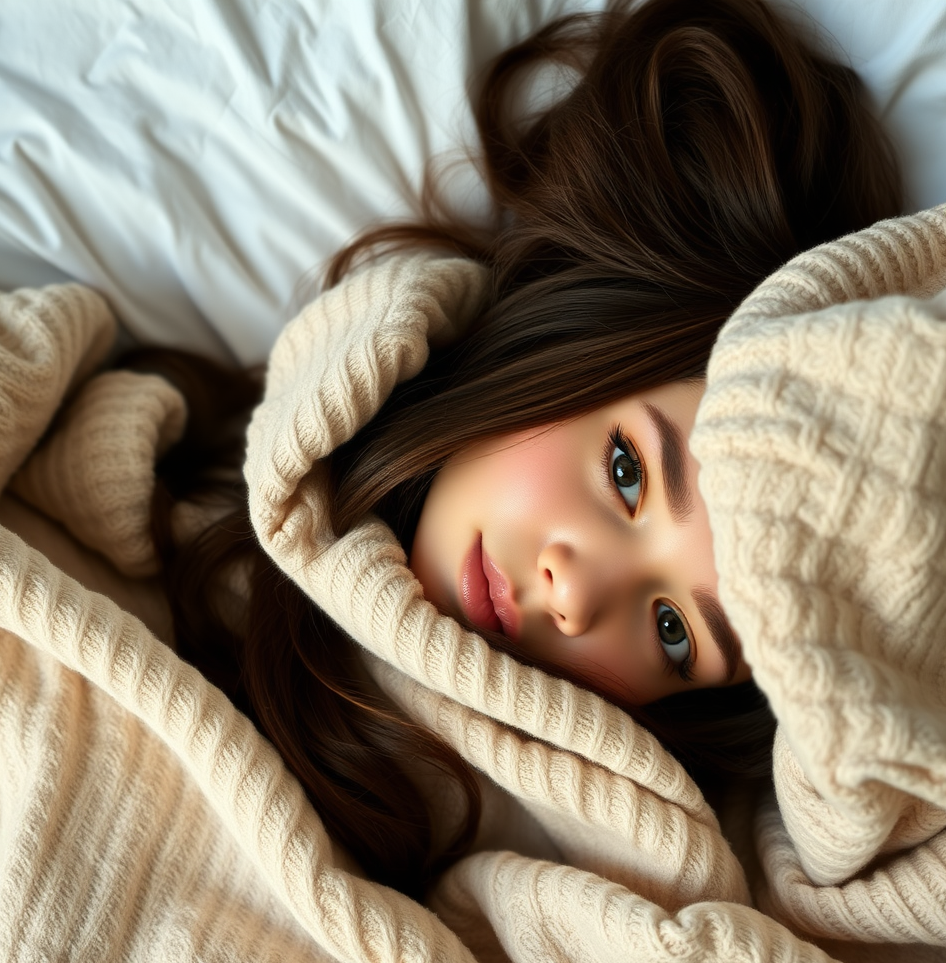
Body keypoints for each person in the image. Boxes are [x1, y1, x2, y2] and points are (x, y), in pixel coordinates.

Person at [128, 0, 903, 897]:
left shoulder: (604, 861)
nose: (573, 596)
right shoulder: (139, 464)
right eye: (627, 472)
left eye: (673, 631)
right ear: (575, 346)